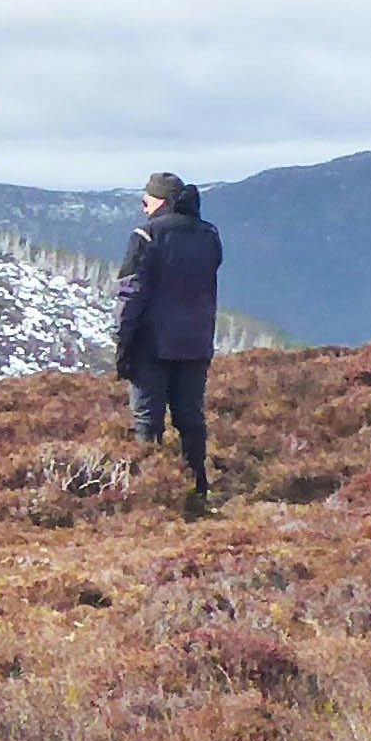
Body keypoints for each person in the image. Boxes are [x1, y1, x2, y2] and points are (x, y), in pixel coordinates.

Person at [112, 172, 223, 511]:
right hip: (196, 343)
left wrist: (122, 339)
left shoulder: (147, 235)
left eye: (146, 200)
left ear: (159, 200)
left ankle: (154, 494)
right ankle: (198, 491)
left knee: (148, 420)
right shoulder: (209, 236)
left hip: (151, 344)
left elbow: (130, 292)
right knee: (190, 418)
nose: (143, 207)